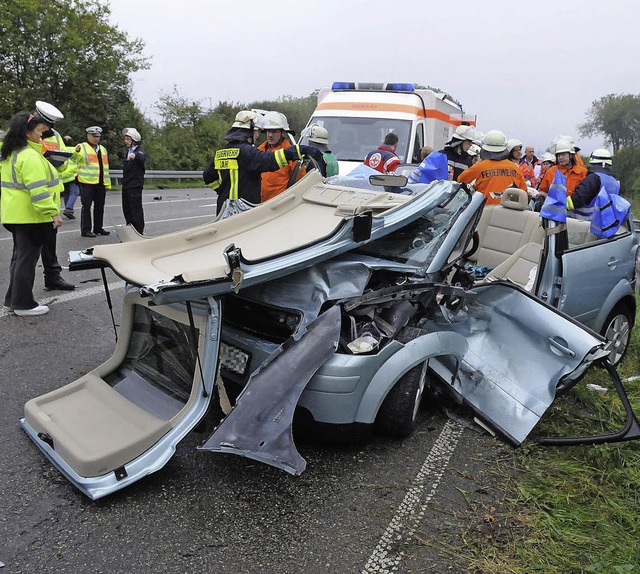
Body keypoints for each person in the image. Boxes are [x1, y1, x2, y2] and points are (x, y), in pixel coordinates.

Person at [1, 112, 63, 316]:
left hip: (17, 215)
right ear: (27, 133)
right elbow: (38, 190)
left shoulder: (11, 154)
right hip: (32, 217)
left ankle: (13, 300)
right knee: (26, 261)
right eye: (38, 131)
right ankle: (23, 304)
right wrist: (53, 213)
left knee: (19, 259)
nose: (41, 136)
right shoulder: (29, 157)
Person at [203, 111, 323, 214]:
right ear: (249, 131)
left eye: (274, 131)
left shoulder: (221, 152)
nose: (258, 134)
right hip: (244, 210)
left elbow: (208, 176)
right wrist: (299, 149)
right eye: (258, 131)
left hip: (225, 210)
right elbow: (270, 160)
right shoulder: (250, 153)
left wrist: (223, 192)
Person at [32, 101, 75, 291]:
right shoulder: (21, 133)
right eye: (45, 124)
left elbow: (64, 161)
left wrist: (59, 162)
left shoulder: (55, 136)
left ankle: (53, 277)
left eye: (50, 126)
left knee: (50, 240)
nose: (47, 129)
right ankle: (20, 291)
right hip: (32, 194)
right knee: (26, 248)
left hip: (50, 194)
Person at [457, 130, 528, 205]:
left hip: (485, 213)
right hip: (509, 213)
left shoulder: (479, 167)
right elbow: (523, 193)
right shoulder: (515, 168)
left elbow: (460, 181)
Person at [258, 111, 306, 202]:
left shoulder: (292, 156)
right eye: (268, 131)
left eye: (274, 132)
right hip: (258, 206)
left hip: (279, 206)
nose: (270, 135)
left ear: (283, 133)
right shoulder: (259, 151)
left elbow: (300, 182)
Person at [74, 126, 111, 237]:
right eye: (94, 136)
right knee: (86, 206)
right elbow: (73, 161)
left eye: (98, 136)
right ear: (88, 136)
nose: (96, 138)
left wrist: (107, 183)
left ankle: (98, 228)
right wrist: (75, 176)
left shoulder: (102, 149)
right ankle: (86, 230)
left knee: (100, 206)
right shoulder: (81, 147)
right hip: (86, 182)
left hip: (100, 182)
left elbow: (105, 167)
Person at [568, 149, 619, 213]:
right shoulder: (615, 182)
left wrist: (562, 204)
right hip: (607, 221)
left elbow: (577, 199)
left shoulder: (593, 178)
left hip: (585, 221)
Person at [121, 127, 146, 234]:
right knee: (127, 208)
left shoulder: (139, 151)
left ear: (133, 140)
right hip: (126, 184)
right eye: (125, 139)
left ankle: (138, 230)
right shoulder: (128, 151)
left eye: (128, 139)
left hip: (134, 185)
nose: (125, 141)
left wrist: (135, 156)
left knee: (135, 209)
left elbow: (142, 157)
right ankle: (130, 227)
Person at [60, 135, 79, 219]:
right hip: (72, 175)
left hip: (62, 175)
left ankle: (69, 210)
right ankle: (68, 209)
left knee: (66, 193)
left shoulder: (60, 149)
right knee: (74, 192)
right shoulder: (75, 149)